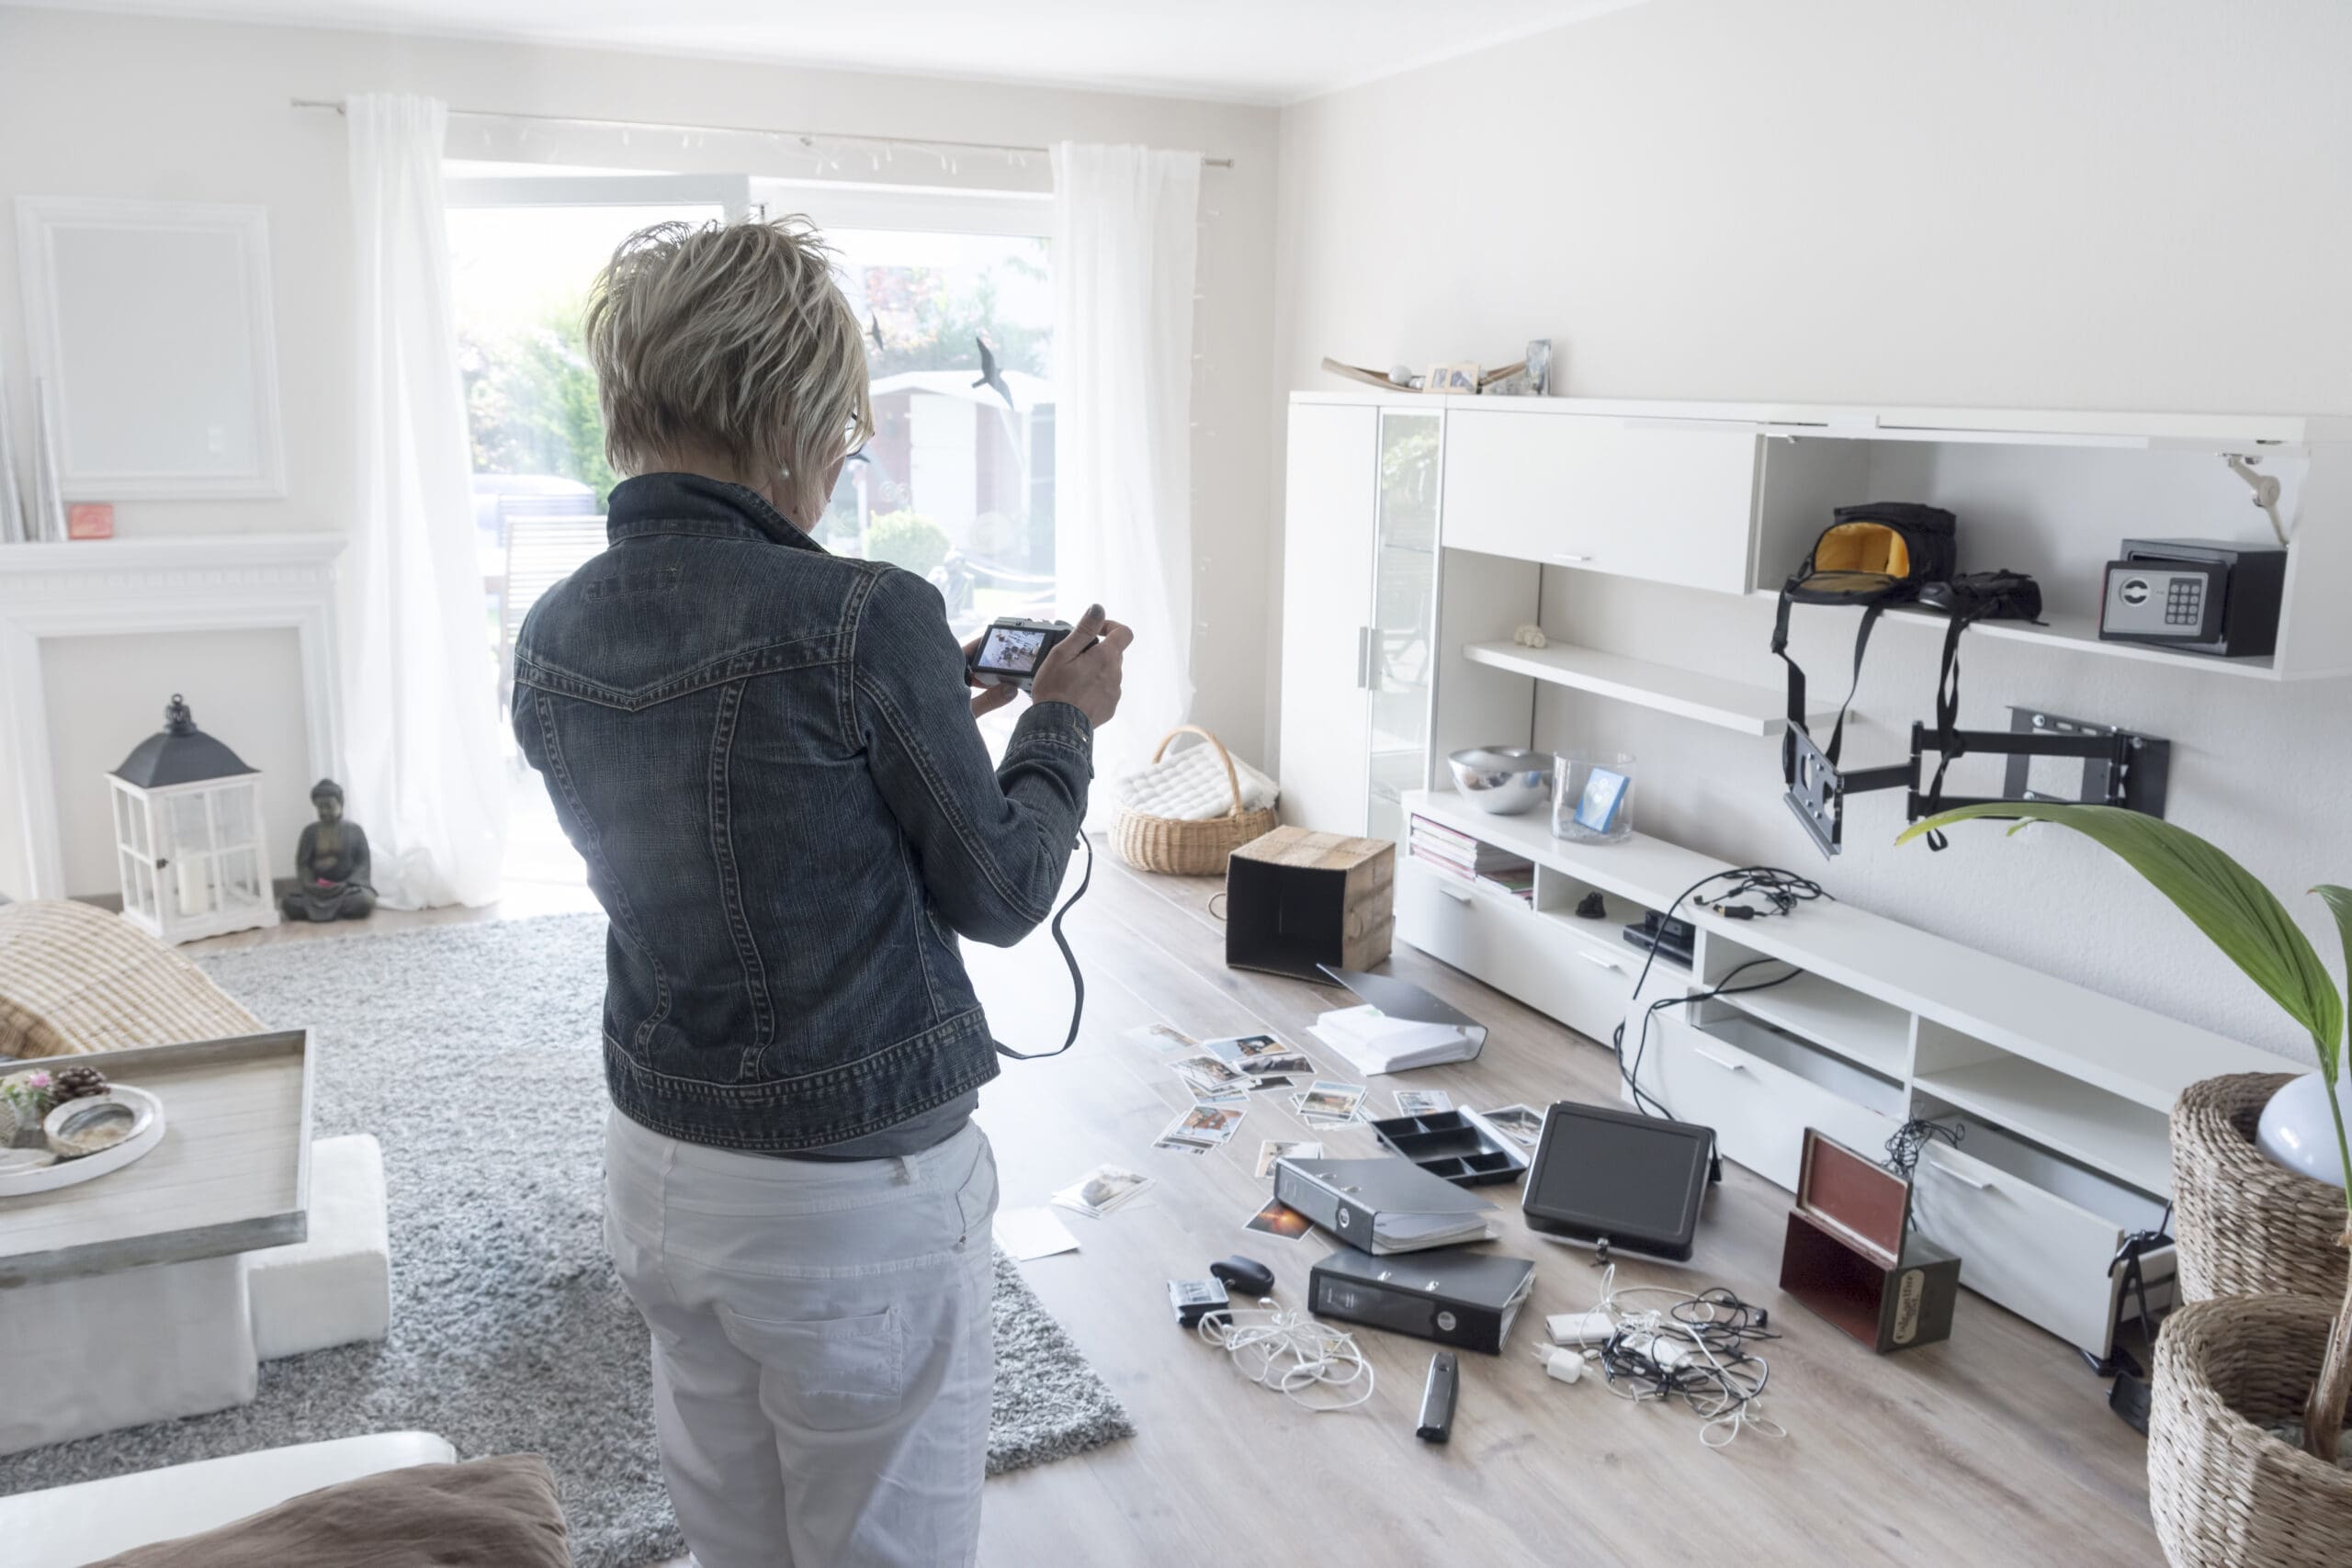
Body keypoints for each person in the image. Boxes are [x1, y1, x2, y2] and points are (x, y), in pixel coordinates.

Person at [513, 216, 1129, 1568]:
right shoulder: (863, 613)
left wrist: (909, 708)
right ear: (790, 407)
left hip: (661, 1173)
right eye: (845, 430)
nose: (844, 461)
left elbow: (711, 812)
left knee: (735, 1538)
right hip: (851, 1208)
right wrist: (1058, 722)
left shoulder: (554, 627)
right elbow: (1002, 890)